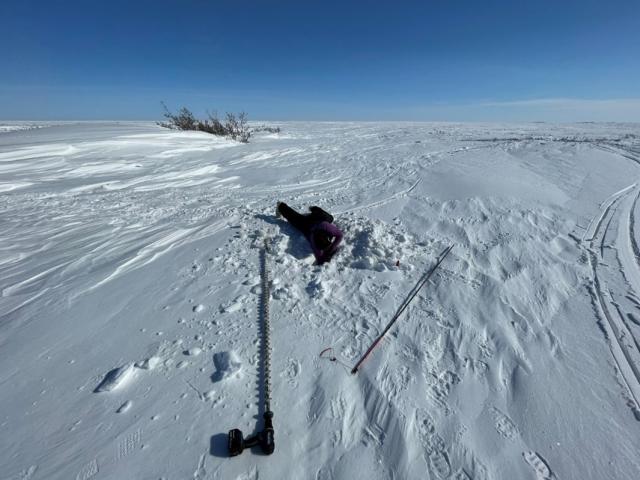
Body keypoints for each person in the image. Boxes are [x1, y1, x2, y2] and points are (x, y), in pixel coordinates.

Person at [276, 202, 343, 264]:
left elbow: (340, 235)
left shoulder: (327, 228)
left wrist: (332, 248)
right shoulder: (313, 237)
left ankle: (315, 210)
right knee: (294, 218)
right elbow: (318, 255)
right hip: (308, 224)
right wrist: (324, 259)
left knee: (330, 218)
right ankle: (281, 206)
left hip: (318, 220)